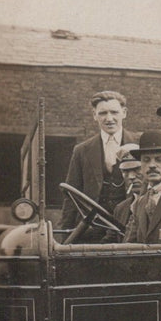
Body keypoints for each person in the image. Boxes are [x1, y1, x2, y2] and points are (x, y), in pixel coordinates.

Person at [58, 91, 140, 236]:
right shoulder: (82, 150)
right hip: (92, 227)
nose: (109, 119)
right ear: (94, 115)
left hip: (129, 225)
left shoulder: (140, 143)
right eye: (103, 113)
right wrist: (64, 234)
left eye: (114, 112)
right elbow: (71, 194)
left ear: (124, 113)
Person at [103, 145, 143, 243]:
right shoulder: (121, 209)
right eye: (126, 171)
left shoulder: (157, 202)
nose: (131, 176)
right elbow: (109, 241)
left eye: (137, 169)